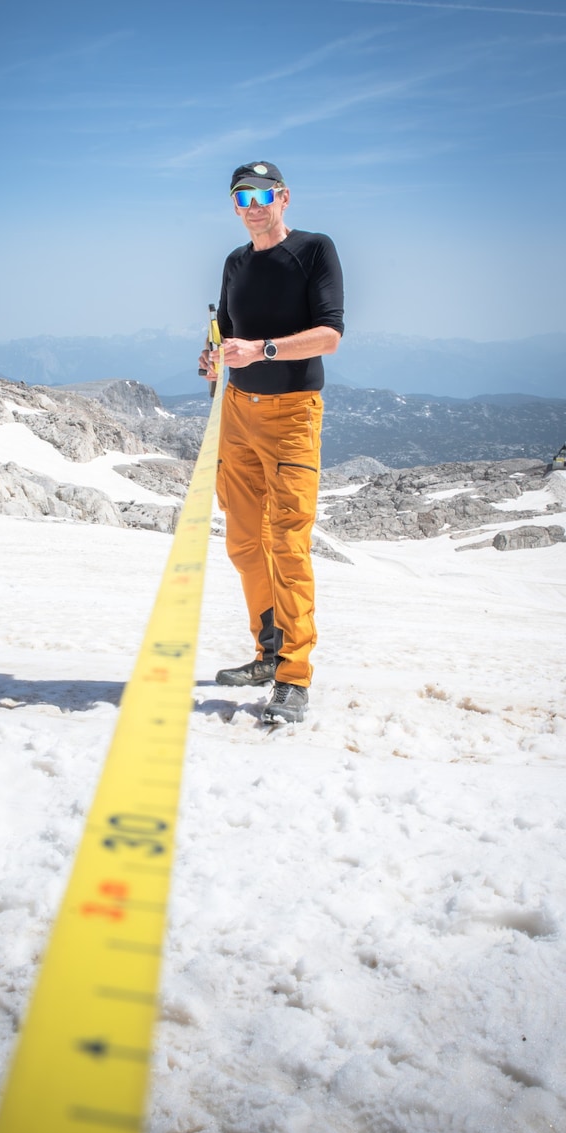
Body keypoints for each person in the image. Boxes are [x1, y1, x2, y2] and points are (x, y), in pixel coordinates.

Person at [199, 160, 344, 724]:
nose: (253, 204)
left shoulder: (314, 250)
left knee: (287, 544)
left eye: (262, 193)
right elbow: (223, 333)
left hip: (291, 416)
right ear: (234, 207)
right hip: (237, 411)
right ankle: (267, 650)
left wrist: (260, 350)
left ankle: (293, 676)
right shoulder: (235, 262)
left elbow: (329, 336)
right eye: (241, 197)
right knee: (242, 541)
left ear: (283, 196)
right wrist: (212, 357)